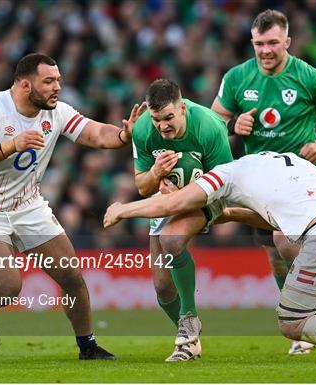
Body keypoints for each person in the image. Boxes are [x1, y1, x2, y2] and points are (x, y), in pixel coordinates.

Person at [103, 152, 316, 363]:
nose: (166, 189)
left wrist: (123, 210)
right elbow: (274, 218)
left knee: (292, 321)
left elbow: (174, 205)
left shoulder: (223, 174)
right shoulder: (280, 161)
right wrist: (227, 215)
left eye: (172, 183)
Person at [0, 53, 146, 360]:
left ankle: (88, 347)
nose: (57, 87)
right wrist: (11, 145)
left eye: (58, 79)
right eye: (49, 81)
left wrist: (124, 134)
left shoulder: (56, 112)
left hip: (28, 205)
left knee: (71, 276)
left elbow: (95, 133)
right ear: (24, 85)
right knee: (7, 286)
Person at [211, 9, 316, 357]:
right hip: (260, 186)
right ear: (252, 42)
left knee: (289, 243)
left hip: (302, 184)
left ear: (288, 42)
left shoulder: (308, 76)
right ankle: (304, 322)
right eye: (259, 44)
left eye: (273, 43)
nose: (265, 50)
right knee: (278, 258)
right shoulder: (236, 78)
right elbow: (215, 118)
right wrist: (233, 126)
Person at [131, 79, 233, 361]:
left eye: (168, 118)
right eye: (156, 119)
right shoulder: (142, 130)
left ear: (183, 108)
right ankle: (190, 337)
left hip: (207, 198)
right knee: (163, 288)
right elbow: (142, 186)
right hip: (167, 203)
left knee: (172, 240)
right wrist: (155, 175)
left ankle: (189, 323)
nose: (162, 126)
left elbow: (225, 184)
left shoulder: (209, 127)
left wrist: (186, 195)